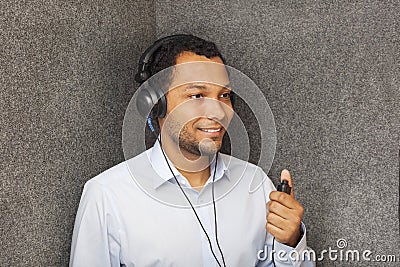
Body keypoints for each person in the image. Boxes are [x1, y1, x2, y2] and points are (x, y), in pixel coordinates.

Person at [70, 34, 315, 267]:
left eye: (225, 95)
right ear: (156, 104)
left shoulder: (256, 183)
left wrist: (290, 242)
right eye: (197, 95)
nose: (218, 111)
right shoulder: (107, 195)